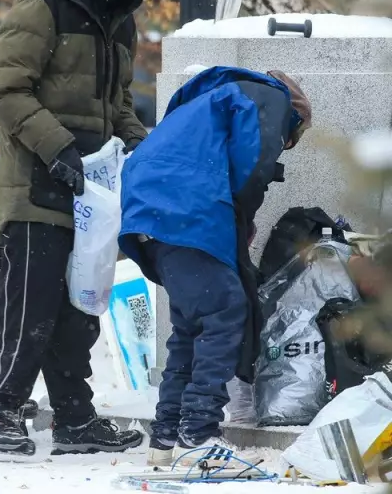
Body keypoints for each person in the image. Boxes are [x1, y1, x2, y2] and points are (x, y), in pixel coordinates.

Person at [0, 0, 159, 456]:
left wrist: (144, 150)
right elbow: (3, 89)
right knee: (30, 305)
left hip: (90, 194)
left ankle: (74, 419)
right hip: (35, 185)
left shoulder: (121, 26)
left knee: (78, 311)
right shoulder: (47, 4)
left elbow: (118, 106)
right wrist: (57, 148)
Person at [118, 67, 313, 466]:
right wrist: (241, 219)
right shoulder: (271, 98)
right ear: (295, 118)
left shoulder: (212, 99)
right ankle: (198, 433)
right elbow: (253, 166)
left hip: (151, 208)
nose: (285, 145)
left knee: (193, 325)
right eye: (290, 140)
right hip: (187, 207)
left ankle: (166, 435)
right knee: (225, 311)